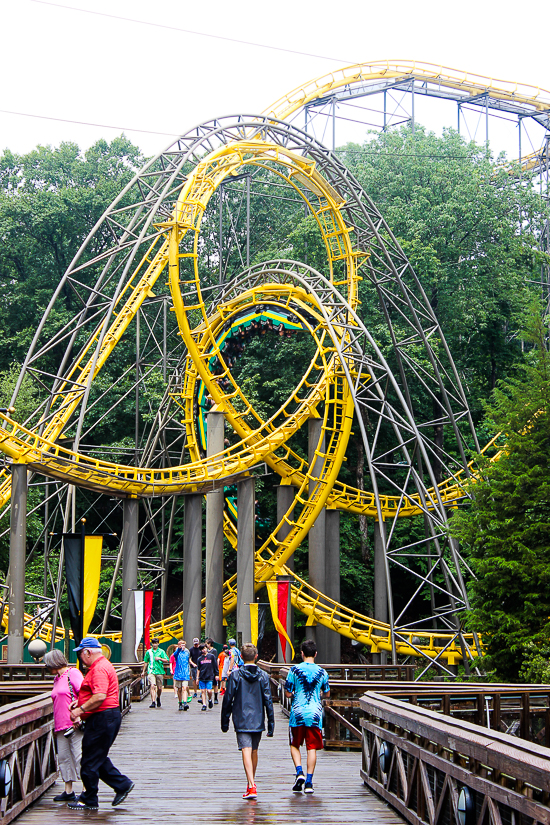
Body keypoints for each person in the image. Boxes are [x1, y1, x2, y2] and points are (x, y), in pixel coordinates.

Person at [67, 637, 134, 811]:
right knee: (96, 756)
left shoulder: (98, 669)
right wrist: (81, 701)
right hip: (105, 717)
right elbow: (96, 693)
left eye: (81, 654)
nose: (80, 658)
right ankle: (122, 784)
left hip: (103, 717)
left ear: (88, 652)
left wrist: (80, 710)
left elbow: (100, 696)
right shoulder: (102, 666)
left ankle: (89, 798)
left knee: (90, 760)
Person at [221, 642, 274, 799]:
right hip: (258, 717)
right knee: (254, 750)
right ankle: (251, 782)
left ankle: (251, 785)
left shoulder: (236, 675)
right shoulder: (263, 676)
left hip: (241, 717)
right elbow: (268, 700)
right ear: (256, 656)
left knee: (246, 749)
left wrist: (225, 721)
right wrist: (271, 723)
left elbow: (228, 699)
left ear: (242, 657)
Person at [284, 639, 330, 795]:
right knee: (312, 748)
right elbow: (327, 693)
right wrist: (319, 694)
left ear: (302, 653)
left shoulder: (294, 670)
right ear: (315, 654)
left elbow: (288, 693)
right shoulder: (322, 672)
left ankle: (299, 772)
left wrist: (295, 694)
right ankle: (309, 782)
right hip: (315, 714)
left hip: (297, 713)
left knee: (294, 744)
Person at [44, 649, 84, 803]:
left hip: (74, 723)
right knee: (64, 757)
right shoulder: (57, 678)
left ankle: (86, 789)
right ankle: (68, 790)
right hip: (60, 725)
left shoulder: (72, 673)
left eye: (48, 664)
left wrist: (79, 714)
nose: (47, 667)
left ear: (54, 663)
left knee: (78, 756)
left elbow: (84, 694)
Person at [142, 637, 168, 708]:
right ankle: (153, 702)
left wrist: (160, 658)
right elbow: (146, 662)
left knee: (159, 688)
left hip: (159, 671)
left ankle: (158, 697)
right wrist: (143, 671)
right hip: (151, 671)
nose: (154, 645)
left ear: (158, 644)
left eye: (156, 643)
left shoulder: (161, 651)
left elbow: (167, 660)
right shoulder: (149, 652)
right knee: (152, 685)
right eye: (153, 643)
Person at [196, 644, 218, 711]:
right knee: (203, 691)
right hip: (202, 677)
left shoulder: (211, 656)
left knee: (209, 691)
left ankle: (210, 699)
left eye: (205, 648)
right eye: (202, 649)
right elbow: (198, 669)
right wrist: (197, 678)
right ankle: (204, 704)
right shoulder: (199, 659)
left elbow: (215, 666)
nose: (204, 650)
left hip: (209, 676)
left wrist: (216, 674)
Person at [172, 639, 191, 711]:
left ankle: (185, 703)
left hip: (185, 673)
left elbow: (188, 661)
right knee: (179, 689)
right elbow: (175, 655)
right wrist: (179, 648)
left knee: (184, 688)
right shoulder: (177, 652)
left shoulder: (187, 652)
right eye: (180, 645)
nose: (182, 646)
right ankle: (180, 703)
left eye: (183, 645)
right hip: (178, 673)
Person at [204, 638, 220, 704]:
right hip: (207, 669)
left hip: (212, 669)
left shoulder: (214, 651)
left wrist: (216, 671)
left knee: (215, 684)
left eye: (207, 643)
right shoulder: (206, 651)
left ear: (209, 644)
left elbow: (214, 660)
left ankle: (216, 697)